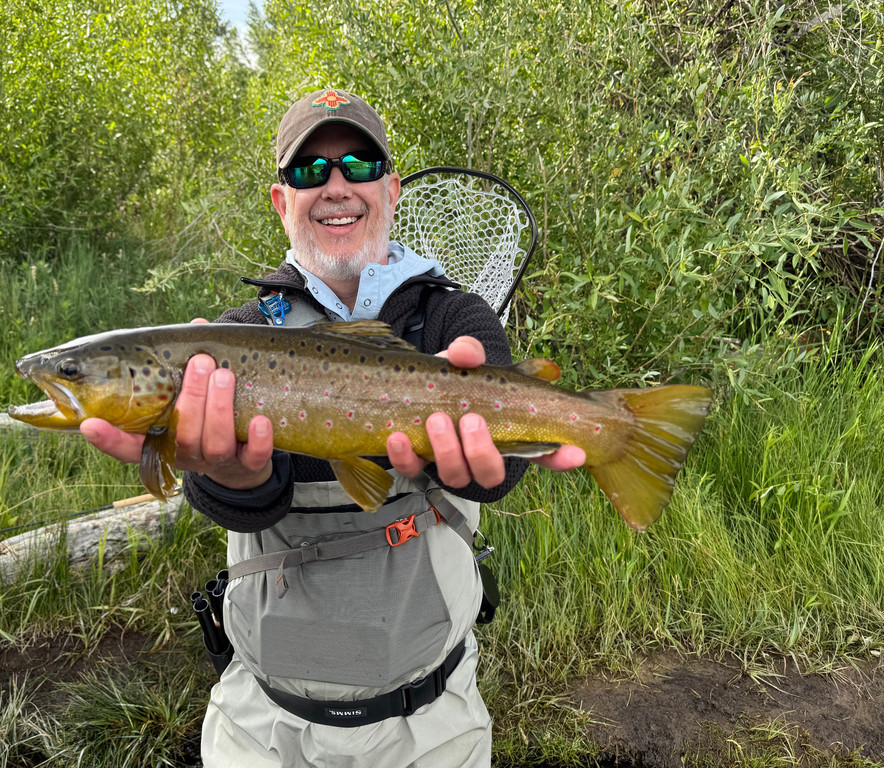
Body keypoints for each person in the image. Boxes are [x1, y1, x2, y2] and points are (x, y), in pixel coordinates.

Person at [81, 88, 585, 767]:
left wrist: (480, 455)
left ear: (392, 186)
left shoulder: (452, 320)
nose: (336, 185)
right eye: (309, 171)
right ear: (280, 200)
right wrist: (234, 475)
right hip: (265, 728)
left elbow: (505, 472)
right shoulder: (239, 337)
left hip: (431, 726)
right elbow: (226, 498)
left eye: (359, 163)